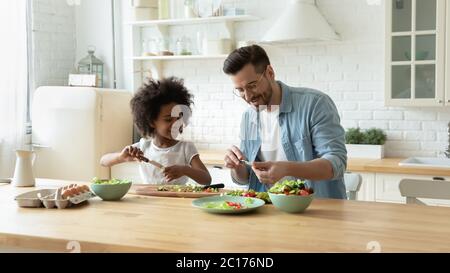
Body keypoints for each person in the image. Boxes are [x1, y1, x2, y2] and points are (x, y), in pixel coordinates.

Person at [222, 45, 347, 199]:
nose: (247, 97)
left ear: (270, 73)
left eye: (252, 85)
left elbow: (336, 163)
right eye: (240, 90)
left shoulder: (314, 104)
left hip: (316, 210)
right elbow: (246, 177)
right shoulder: (250, 117)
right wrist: (236, 167)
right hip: (267, 210)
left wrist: (288, 169)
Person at [100, 77, 211, 185]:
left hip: (178, 201)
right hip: (150, 201)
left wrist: (185, 170)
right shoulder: (143, 148)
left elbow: (206, 179)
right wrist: (121, 157)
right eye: (168, 119)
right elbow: (103, 161)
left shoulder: (186, 148)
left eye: (179, 118)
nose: (176, 123)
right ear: (151, 122)